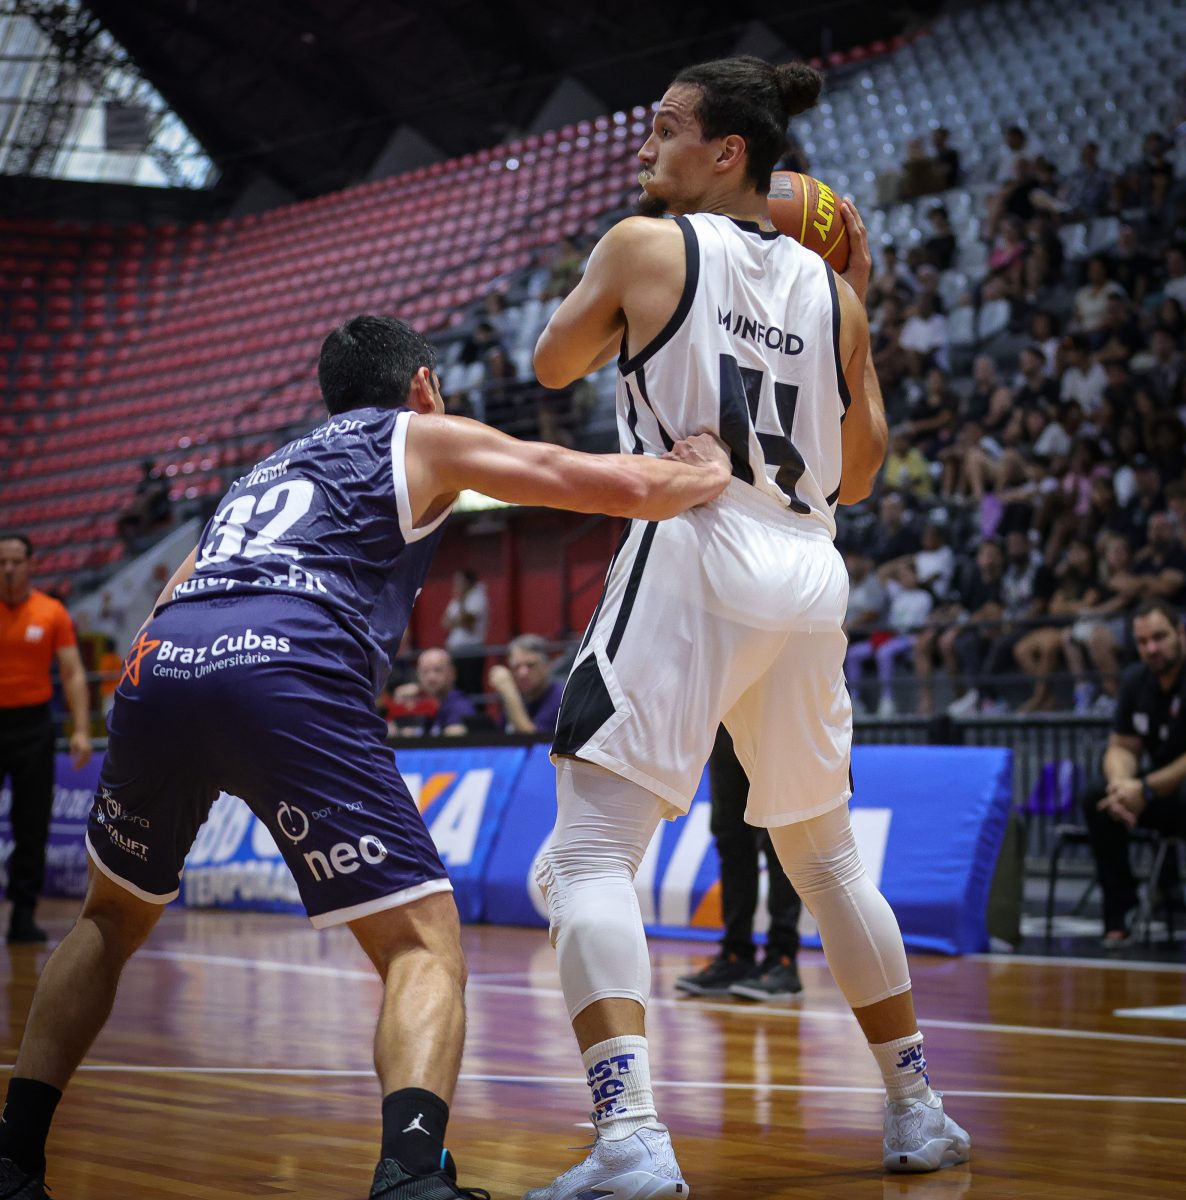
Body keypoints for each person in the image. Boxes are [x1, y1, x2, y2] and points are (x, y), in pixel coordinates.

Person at [0, 315, 731, 1200]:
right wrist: (701, 471)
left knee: (107, 922)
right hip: (285, 668)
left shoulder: (261, 471)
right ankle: (410, 1175)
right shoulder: (419, 433)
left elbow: (169, 596)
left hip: (161, 667)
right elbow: (588, 480)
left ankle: (13, 1156)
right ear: (423, 385)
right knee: (421, 943)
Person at [524, 55, 969, 1200]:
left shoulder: (644, 246)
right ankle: (918, 1111)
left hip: (699, 538)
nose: (646, 146)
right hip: (809, 570)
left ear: (726, 152)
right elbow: (859, 473)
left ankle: (631, 1138)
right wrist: (850, 300)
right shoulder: (837, 296)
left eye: (667, 128)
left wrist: (656, 320)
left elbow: (552, 362)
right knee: (827, 859)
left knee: (585, 857)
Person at [1081, 600, 1186, 951]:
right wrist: (1122, 785)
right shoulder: (1136, 679)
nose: (1151, 648)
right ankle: (1122, 913)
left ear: (1181, 634)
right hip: (1157, 793)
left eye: (1160, 638)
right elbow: (1121, 747)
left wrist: (1145, 788)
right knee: (1097, 797)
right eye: (1143, 641)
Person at [0, 534, 93, 945]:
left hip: (34, 728)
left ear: (31, 564)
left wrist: (82, 730)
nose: (8, 569)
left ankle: (23, 915)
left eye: (15, 561)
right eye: (2, 562)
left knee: (32, 825)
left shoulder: (52, 612)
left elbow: (72, 672)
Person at [674, 725, 802, 999]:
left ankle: (782, 959)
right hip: (725, 723)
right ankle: (736, 955)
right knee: (731, 839)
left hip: (772, 723)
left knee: (778, 839)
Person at [389, 647, 482, 737]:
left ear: (452, 673)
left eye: (438, 670)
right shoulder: (425, 702)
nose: (431, 677)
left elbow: (454, 739)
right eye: (425, 671)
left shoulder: (460, 706)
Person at [488, 634, 565, 734]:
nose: (522, 673)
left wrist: (509, 693)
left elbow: (534, 738)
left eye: (530, 665)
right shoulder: (521, 696)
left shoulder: (560, 697)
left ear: (547, 666)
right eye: (516, 667)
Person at [441, 569, 489, 698]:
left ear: (468, 582)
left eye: (459, 581)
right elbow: (445, 622)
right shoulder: (456, 600)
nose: (456, 585)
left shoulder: (477, 597)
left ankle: (476, 711)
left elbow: (469, 624)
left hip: (471, 651)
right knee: (458, 687)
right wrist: (459, 620)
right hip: (456, 652)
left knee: (472, 687)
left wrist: (459, 617)